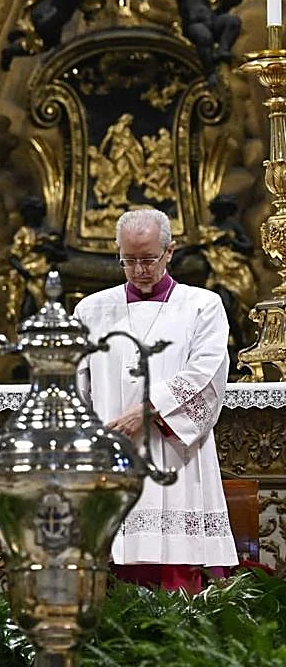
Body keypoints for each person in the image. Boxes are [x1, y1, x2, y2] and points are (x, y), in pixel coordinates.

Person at [74, 208, 237, 592]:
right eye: (128, 259)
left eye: (148, 259)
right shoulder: (91, 310)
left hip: (176, 454)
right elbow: (75, 380)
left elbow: (207, 373)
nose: (138, 269)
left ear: (169, 252)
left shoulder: (202, 305)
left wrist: (150, 411)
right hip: (115, 456)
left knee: (177, 571)